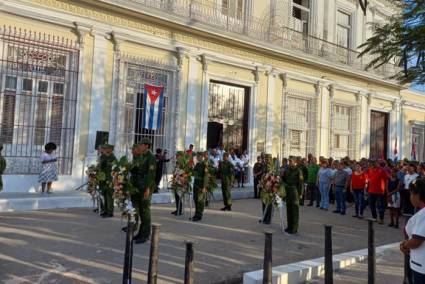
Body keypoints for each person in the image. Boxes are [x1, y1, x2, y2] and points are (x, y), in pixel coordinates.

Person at [130, 138, 156, 244]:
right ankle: (141, 232)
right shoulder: (142, 156)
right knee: (140, 211)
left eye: (141, 145)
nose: (139, 146)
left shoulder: (151, 157)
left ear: (146, 146)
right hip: (139, 186)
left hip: (145, 187)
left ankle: (146, 235)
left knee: (145, 212)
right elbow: (138, 170)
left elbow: (151, 175)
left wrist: (148, 189)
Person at [400, 179, 425, 283]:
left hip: (421, 265)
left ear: (418, 196)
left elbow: (416, 241)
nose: (410, 197)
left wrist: (405, 245)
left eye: (411, 194)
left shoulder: (423, 215)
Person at [282, 157, 304, 235]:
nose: (290, 162)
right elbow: (283, 179)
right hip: (288, 190)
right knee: (289, 209)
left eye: (291, 161)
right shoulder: (287, 170)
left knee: (295, 210)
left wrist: (300, 193)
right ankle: (289, 226)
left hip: (294, 191)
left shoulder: (298, 171)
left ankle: (294, 228)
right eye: (289, 161)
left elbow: (300, 182)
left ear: (295, 162)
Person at [98, 144, 117, 218]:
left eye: (106, 148)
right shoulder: (103, 156)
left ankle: (110, 212)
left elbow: (115, 168)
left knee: (109, 196)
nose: (104, 149)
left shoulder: (113, 157)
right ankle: (104, 210)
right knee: (104, 195)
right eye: (104, 148)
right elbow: (101, 166)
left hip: (109, 179)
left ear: (110, 149)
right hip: (103, 179)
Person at [192, 152, 208, 221]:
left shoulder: (204, 165)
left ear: (202, 157)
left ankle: (199, 215)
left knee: (200, 200)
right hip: (196, 184)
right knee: (195, 199)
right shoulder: (197, 164)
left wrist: (204, 186)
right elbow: (194, 172)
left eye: (198, 156)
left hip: (201, 184)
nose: (197, 158)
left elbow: (206, 176)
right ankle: (196, 213)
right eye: (197, 156)